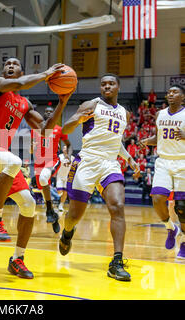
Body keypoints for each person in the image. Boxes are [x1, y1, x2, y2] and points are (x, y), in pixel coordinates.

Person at [0, 57, 72, 279]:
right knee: (14, 161)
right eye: (7, 64)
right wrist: (46, 74)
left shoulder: (24, 104)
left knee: (28, 204)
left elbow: (45, 129)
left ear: (21, 70)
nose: (10, 66)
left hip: (1, 158)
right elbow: (20, 84)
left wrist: (63, 102)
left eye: (15, 64)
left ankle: (17, 259)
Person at [58, 73, 140, 282]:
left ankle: (117, 262)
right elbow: (65, 130)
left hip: (110, 163)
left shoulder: (124, 113)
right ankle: (67, 232)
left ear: (118, 87)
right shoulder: (91, 105)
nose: (107, 87)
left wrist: (129, 159)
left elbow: (115, 142)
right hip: (87, 161)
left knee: (117, 206)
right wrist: (77, 119)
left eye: (111, 83)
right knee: (75, 215)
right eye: (103, 84)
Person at [138, 84, 185, 258]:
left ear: (183, 97)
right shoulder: (160, 114)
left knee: (182, 208)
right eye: (169, 92)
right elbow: (158, 138)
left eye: (175, 92)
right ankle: (171, 229)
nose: (171, 94)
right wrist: (146, 141)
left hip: (182, 162)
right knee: (157, 199)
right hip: (163, 161)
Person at [30, 106, 72, 233]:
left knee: (43, 178)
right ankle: (53, 215)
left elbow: (69, 145)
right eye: (46, 111)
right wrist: (32, 147)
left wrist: (68, 156)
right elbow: (31, 149)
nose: (48, 113)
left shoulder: (59, 129)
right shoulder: (35, 130)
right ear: (44, 114)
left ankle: (49, 210)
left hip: (52, 160)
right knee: (43, 189)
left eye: (50, 112)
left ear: (54, 115)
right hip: (38, 163)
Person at [56, 145, 74, 214]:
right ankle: (58, 200)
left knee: (65, 192)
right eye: (64, 148)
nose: (65, 149)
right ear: (62, 149)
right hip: (60, 177)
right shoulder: (60, 157)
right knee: (60, 192)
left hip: (67, 177)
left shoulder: (72, 158)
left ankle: (61, 205)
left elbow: (76, 165)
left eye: (67, 148)